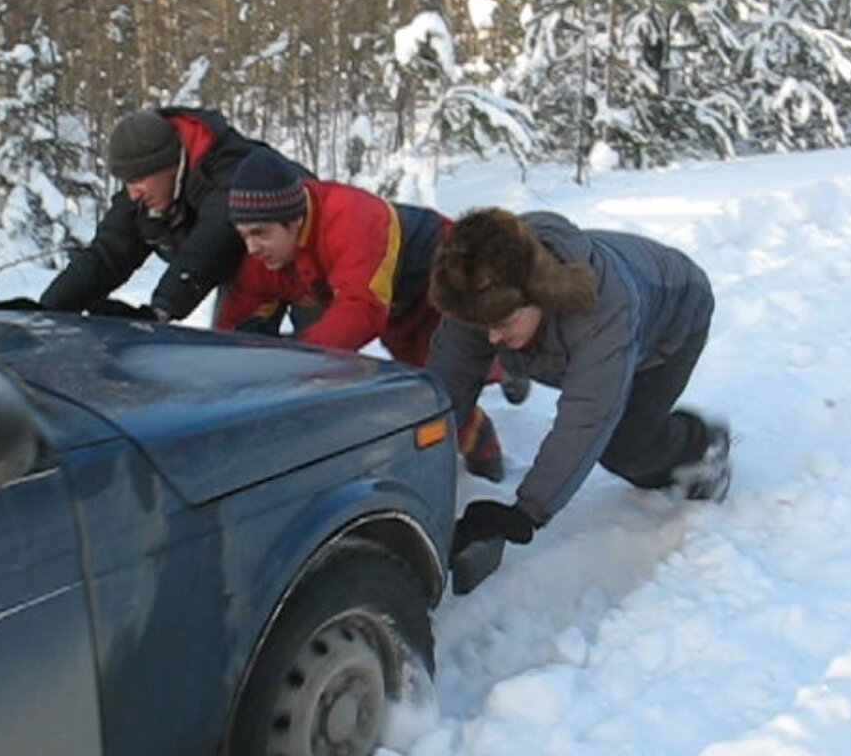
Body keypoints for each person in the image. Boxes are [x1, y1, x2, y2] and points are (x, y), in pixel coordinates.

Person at [428, 207, 730, 592]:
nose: (490, 337)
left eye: (502, 324)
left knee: (625, 446)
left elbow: (586, 418)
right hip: (577, 336)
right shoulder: (482, 285)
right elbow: (446, 384)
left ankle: (700, 446)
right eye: (483, 325)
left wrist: (524, 513)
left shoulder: (604, 310)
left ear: (538, 294)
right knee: (513, 349)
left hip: (672, 321)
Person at [217, 148, 511, 481]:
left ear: (295, 220)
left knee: (446, 391)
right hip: (398, 308)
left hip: (446, 281)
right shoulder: (264, 256)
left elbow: (362, 310)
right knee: (428, 389)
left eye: (260, 233)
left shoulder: (351, 216)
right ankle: (500, 375)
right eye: (244, 236)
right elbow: (237, 318)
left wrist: (294, 362)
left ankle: (491, 451)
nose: (252, 248)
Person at [33, 107, 310, 322]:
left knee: (322, 357)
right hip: (248, 278)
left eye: (140, 178)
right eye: (126, 181)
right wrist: (43, 312)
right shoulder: (145, 191)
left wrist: (161, 309)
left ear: (171, 165)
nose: (133, 193)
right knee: (238, 358)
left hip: (305, 256)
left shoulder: (228, 169)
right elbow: (107, 254)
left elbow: (213, 240)